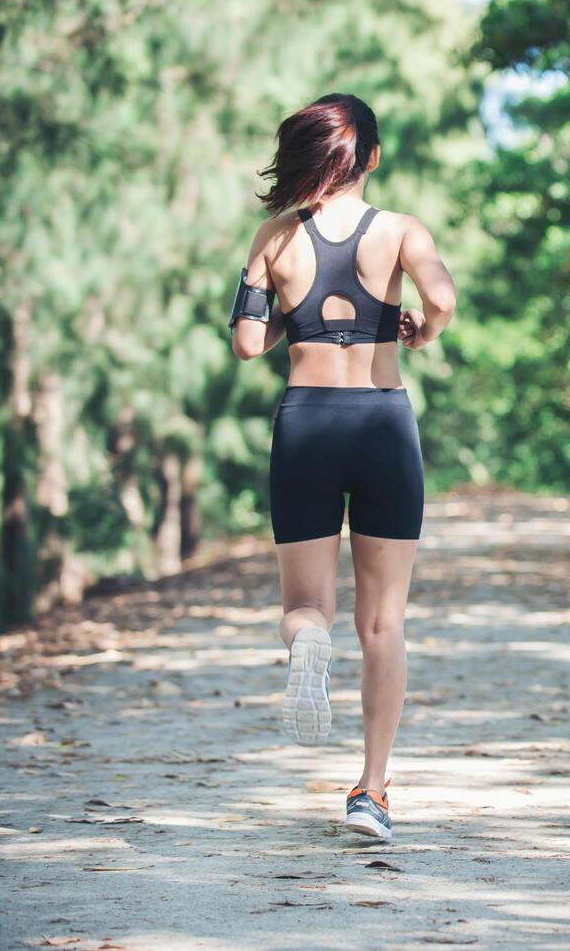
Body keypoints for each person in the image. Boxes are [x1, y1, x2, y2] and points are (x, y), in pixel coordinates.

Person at [229, 93, 456, 841]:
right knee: (384, 621)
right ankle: (371, 793)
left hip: (307, 424)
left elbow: (246, 343)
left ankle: (307, 647)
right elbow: (443, 299)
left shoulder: (274, 236)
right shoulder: (399, 230)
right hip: (383, 421)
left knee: (306, 606)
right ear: (374, 159)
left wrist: (295, 314)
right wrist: (420, 330)